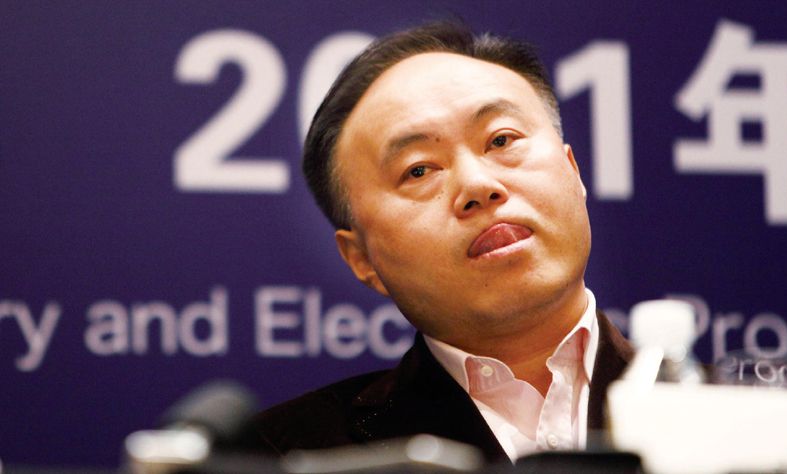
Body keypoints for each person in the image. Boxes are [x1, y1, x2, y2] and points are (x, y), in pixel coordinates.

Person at [250, 21, 633, 464]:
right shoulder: (289, 458)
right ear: (362, 258)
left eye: (501, 140)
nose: (478, 185)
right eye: (418, 170)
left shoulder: (704, 411)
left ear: (573, 172)